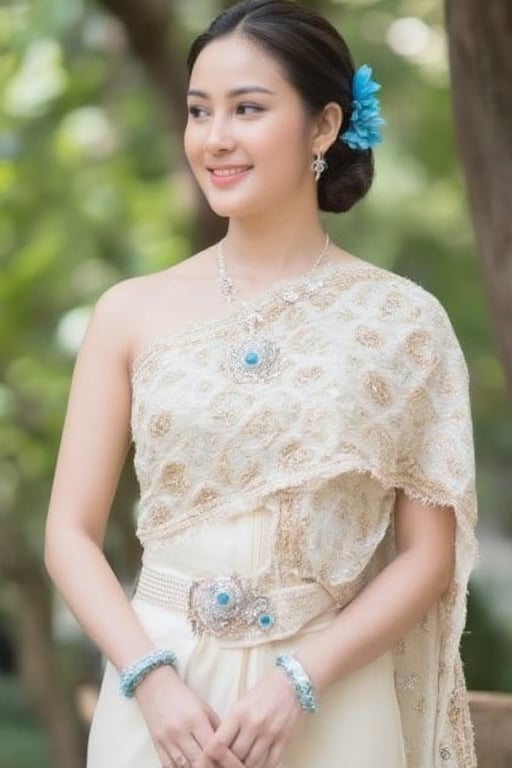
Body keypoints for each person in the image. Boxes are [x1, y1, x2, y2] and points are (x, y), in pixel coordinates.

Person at [45, 1, 478, 767]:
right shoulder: (129, 313)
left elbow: (426, 557)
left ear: (322, 127)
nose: (215, 138)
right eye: (198, 111)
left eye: (248, 109)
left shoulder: (403, 322)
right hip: (162, 699)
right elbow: (69, 535)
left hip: (330, 699)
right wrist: (148, 681)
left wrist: (301, 680)